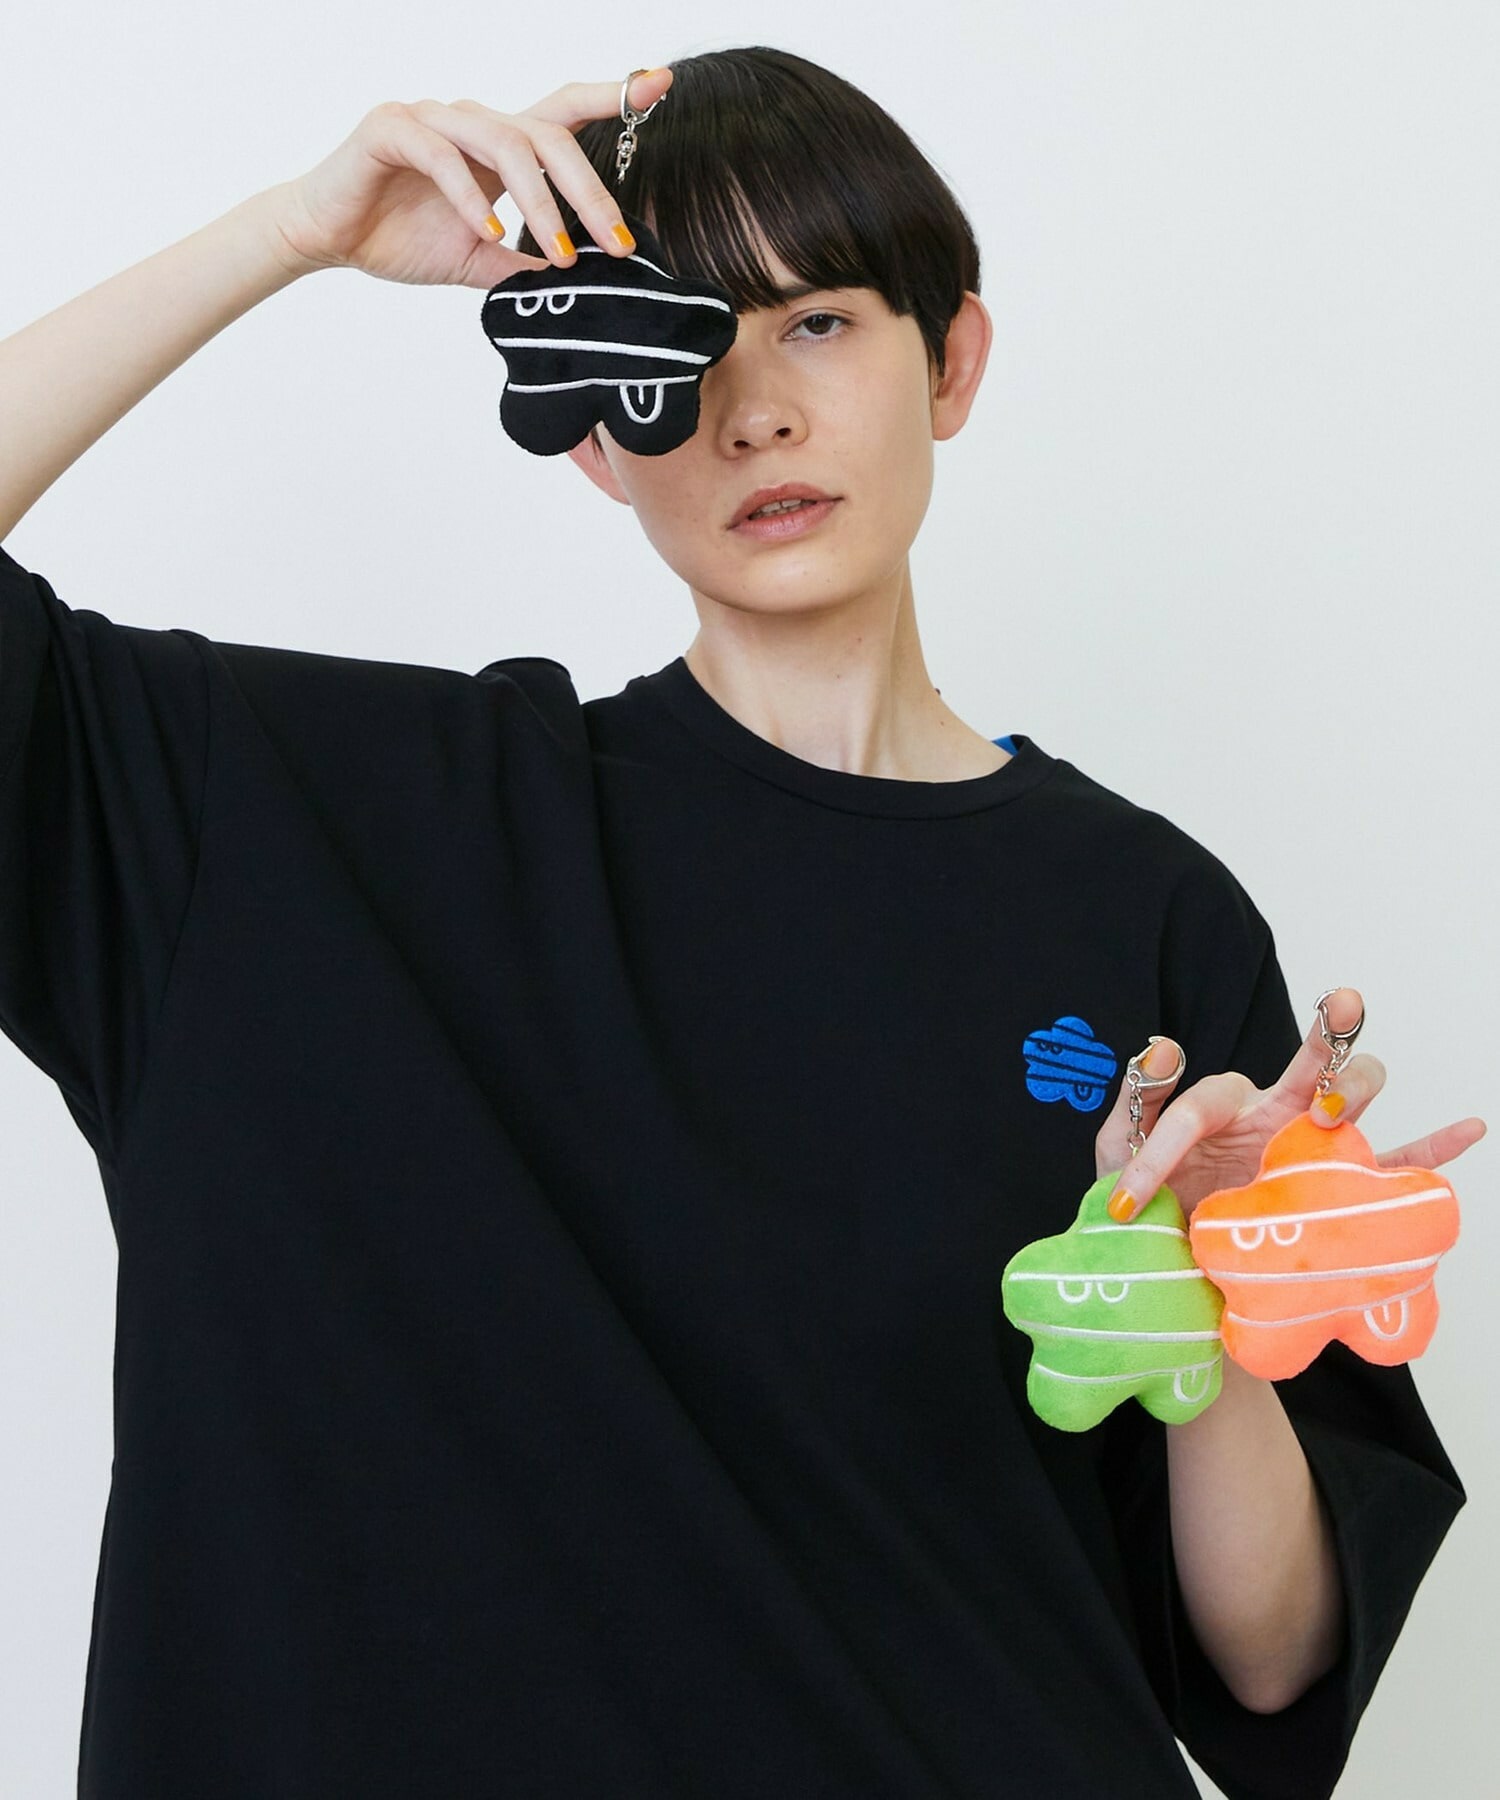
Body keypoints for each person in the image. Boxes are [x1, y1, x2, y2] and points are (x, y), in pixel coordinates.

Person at [0, 45, 1480, 1800]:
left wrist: (1204, 1314)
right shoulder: (307, 824)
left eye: (819, 322)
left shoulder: (1142, 914)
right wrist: (288, 234)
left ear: (954, 360)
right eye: (673, 349)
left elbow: (1274, 1664)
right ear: (591, 435)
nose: (751, 410)